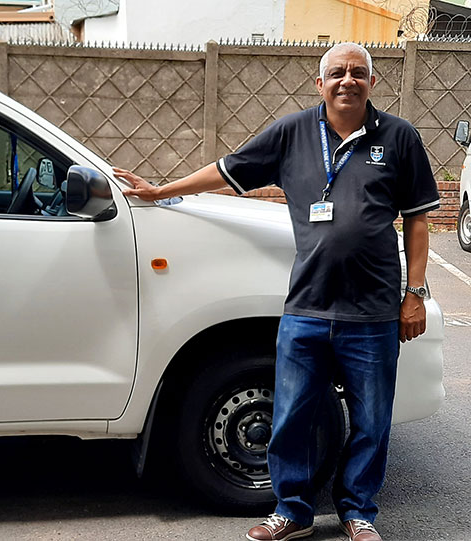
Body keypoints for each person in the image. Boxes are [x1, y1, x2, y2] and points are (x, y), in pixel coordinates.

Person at [114, 42, 439, 541]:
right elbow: (228, 168)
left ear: (373, 82)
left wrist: (413, 292)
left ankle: (358, 514)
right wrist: (160, 191)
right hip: (307, 309)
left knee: (372, 423)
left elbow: (418, 218)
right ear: (320, 83)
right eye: (337, 73)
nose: (347, 80)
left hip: (372, 313)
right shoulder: (293, 133)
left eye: (358, 73)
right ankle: (293, 511)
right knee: (291, 418)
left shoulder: (398, 137)